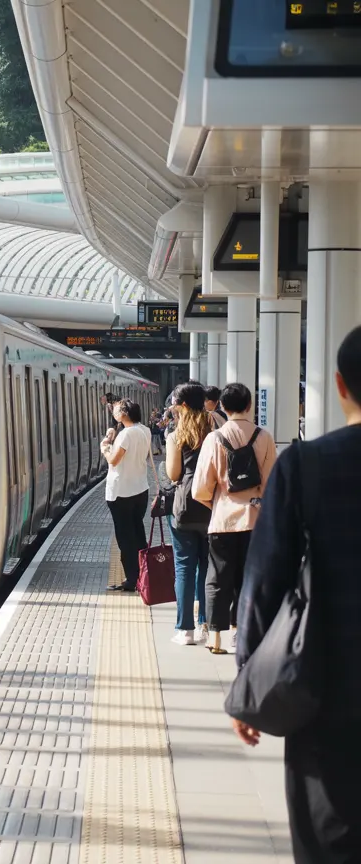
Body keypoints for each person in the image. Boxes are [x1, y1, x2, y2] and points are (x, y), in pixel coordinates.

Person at [233, 325, 361, 862]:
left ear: (340, 385)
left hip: (326, 688)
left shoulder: (306, 466)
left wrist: (249, 678)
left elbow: (265, 578)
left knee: (328, 838)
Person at [192, 383, 275, 654]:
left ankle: (215, 637)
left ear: (222, 406)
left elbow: (200, 489)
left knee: (217, 577)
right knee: (248, 577)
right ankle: (240, 633)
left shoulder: (214, 439)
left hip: (223, 521)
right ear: (249, 405)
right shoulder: (264, 437)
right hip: (255, 520)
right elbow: (272, 484)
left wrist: (218, 503)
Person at [163, 383, 212, 645]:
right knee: (206, 565)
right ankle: (205, 624)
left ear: (183, 405)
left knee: (184, 566)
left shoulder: (175, 436)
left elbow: (173, 474)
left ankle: (185, 630)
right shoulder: (215, 432)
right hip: (211, 507)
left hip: (183, 507)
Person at [100, 399, 152, 592]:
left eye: (115, 410)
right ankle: (143, 574)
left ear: (123, 414)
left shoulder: (126, 434)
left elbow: (114, 460)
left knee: (125, 537)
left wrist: (105, 448)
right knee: (138, 533)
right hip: (140, 490)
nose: (113, 412)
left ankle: (131, 579)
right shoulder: (144, 430)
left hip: (121, 492)